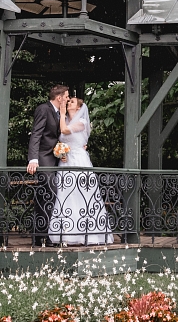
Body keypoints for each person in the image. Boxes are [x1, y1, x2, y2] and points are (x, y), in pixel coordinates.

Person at [48, 96, 114, 245]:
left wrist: (63, 111)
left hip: (79, 160)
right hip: (65, 163)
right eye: (68, 100)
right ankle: (66, 234)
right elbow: (61, 140)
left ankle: (88, 233)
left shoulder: (82, 122)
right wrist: (61, 153)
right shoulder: (64, 118)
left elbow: (64, 131)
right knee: (65, 195)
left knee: (82, 194)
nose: (68, 102)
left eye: (72, 102)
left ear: (78, 108)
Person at [27, 84, 69, 246]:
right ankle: (43, 236)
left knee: (48, 196)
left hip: (55, 158)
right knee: (49, 193)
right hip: (43, 158)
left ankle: (43, 235)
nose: (67, 99)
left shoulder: (59, 113)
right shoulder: (44, 109)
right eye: (66, 96)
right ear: (59, 98)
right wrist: (33, 159)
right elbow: (36, 133)